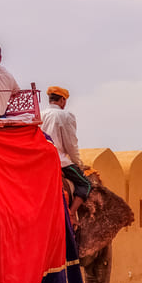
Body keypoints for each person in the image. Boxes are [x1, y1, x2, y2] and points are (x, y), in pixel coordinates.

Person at [41, 86, 90, 220]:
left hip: (40, 160)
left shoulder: (39, 115)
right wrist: (78, 163)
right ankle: (72, 213)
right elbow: (71, 144)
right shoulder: (66, 116)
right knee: (86, 184)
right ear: (62, 100)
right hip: (59, 161)